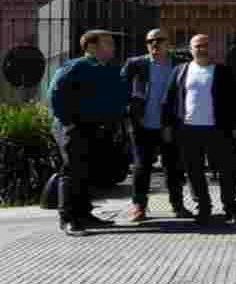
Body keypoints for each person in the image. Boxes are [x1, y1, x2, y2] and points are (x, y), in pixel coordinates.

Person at [47, 29, 128, 236]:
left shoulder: (110, 69)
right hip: (74, 127)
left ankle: (84, 214)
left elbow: (118, 96)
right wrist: (68, 122)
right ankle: (68, 219)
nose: (113, 48)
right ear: (91, 47)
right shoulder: (75, 67)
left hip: (98, 127)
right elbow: (55, 94)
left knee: (87, 172)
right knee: (72, 171)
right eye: (108, 43)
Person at [162, 34, 236, 225]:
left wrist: (235, 127)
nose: (202, 49)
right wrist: (167, 126)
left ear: (212, 48)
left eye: (206, 45)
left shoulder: (223, 71)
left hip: (218, 129)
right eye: (198, 46)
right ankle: (203, 207)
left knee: (227, 170)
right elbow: (169, 101)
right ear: (190, 49)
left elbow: (235, 102)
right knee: (194, 171)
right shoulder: (180, 71)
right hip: (188, 130)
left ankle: (230, 206)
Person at [122, 29, 191, 222]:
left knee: (174, 168)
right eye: (150, 41)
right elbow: (122, 90)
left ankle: (177, 205)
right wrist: (131, 113)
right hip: (143, 124)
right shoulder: (136, 64)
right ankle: (139, 206)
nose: (154, 44)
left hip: (171, 124)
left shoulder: (180, 64)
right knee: (141, 167)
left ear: (168, 43)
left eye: (159, 40)